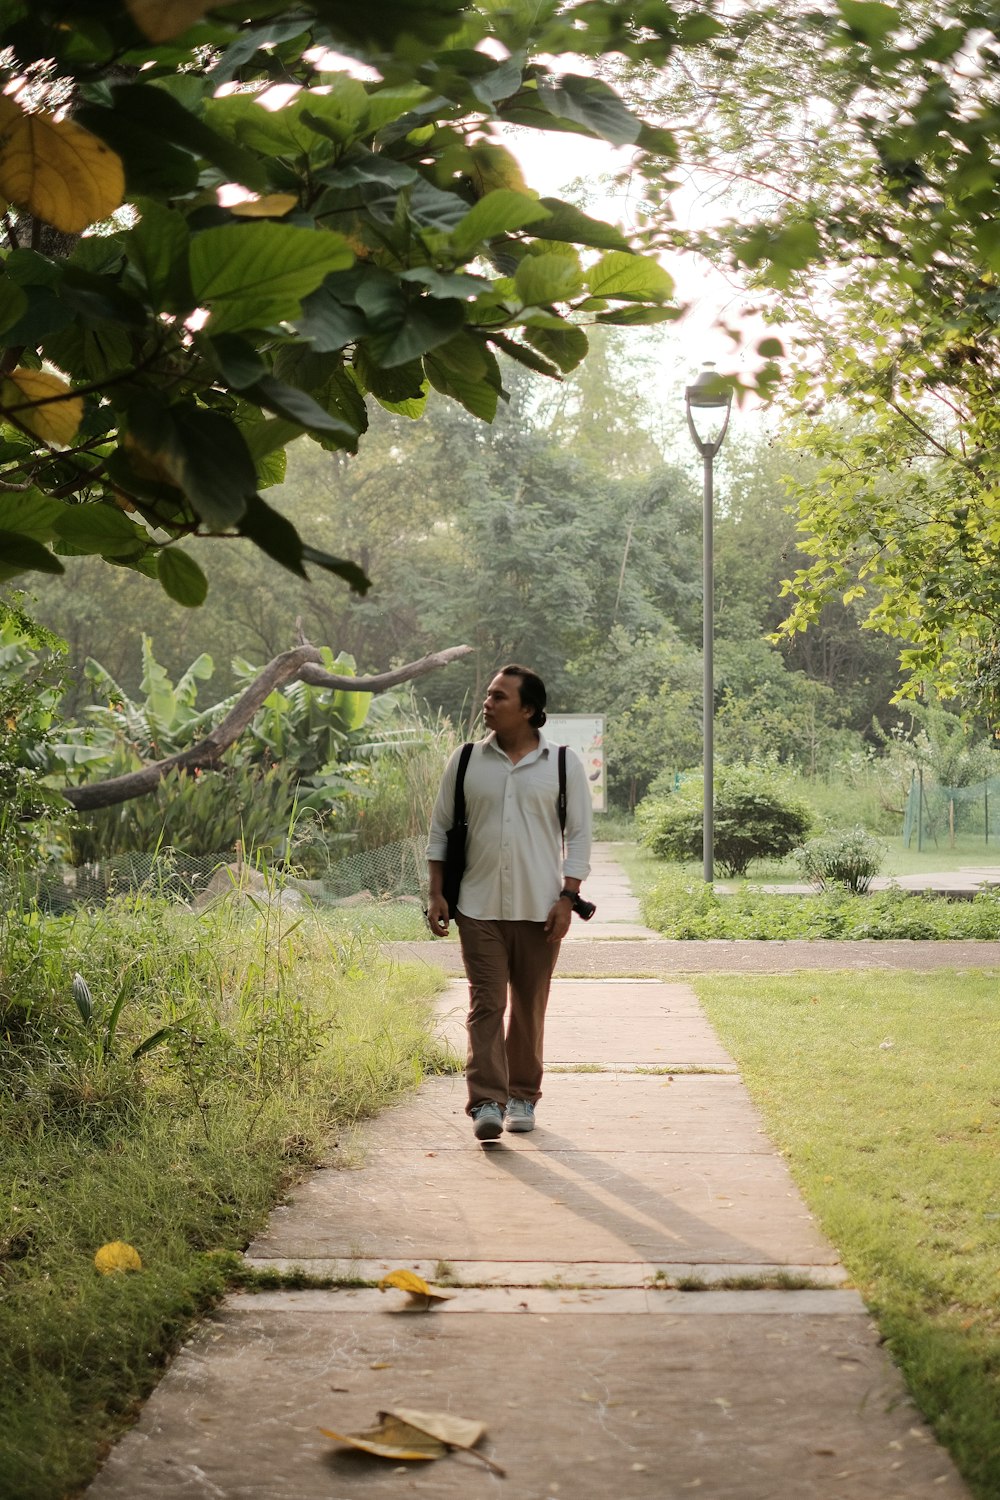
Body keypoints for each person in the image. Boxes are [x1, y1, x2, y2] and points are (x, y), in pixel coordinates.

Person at [426, 664, 593, 1142]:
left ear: (528, 709)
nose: (488, 703)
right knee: (485, 1004)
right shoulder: (464, 760)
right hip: (477, 907)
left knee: (528, 1006)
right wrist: (437, 892)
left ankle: (522, 1095)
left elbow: (579, 838)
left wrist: (568, 897)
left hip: (542, 908)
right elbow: (441, 831)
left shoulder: (563, 763)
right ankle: (486, 1103)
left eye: (499, 697)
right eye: (488, 695)